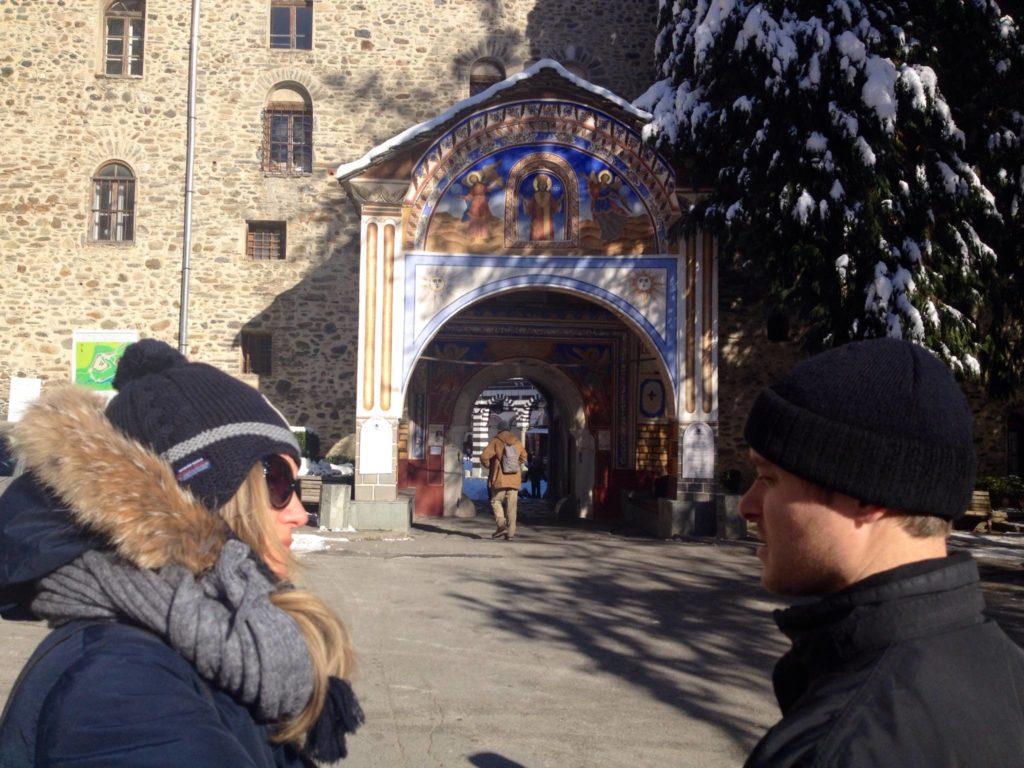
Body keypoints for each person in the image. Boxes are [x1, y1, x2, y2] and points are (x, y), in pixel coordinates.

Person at [0, 339, 363, 766]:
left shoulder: (212, 636)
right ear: (196, 502)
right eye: (278, 481)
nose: (301, 513)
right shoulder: (123, 684)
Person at [739, 337, 1024, 767]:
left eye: (769, 478)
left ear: (865, 494)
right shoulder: (1009, 676)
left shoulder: (837, 746)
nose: (747, 505)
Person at [480, 423, 527, 540]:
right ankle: (510, 534)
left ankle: (501, 525)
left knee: (495, 501)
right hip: (514, 479)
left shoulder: (496, 441)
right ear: (509, 429)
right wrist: (514, 465)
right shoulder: (517, 441)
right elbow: (524, 456)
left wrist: (489, 466)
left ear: (499, 430)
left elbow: (484, 456)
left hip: (499, 478)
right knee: (512, 507)